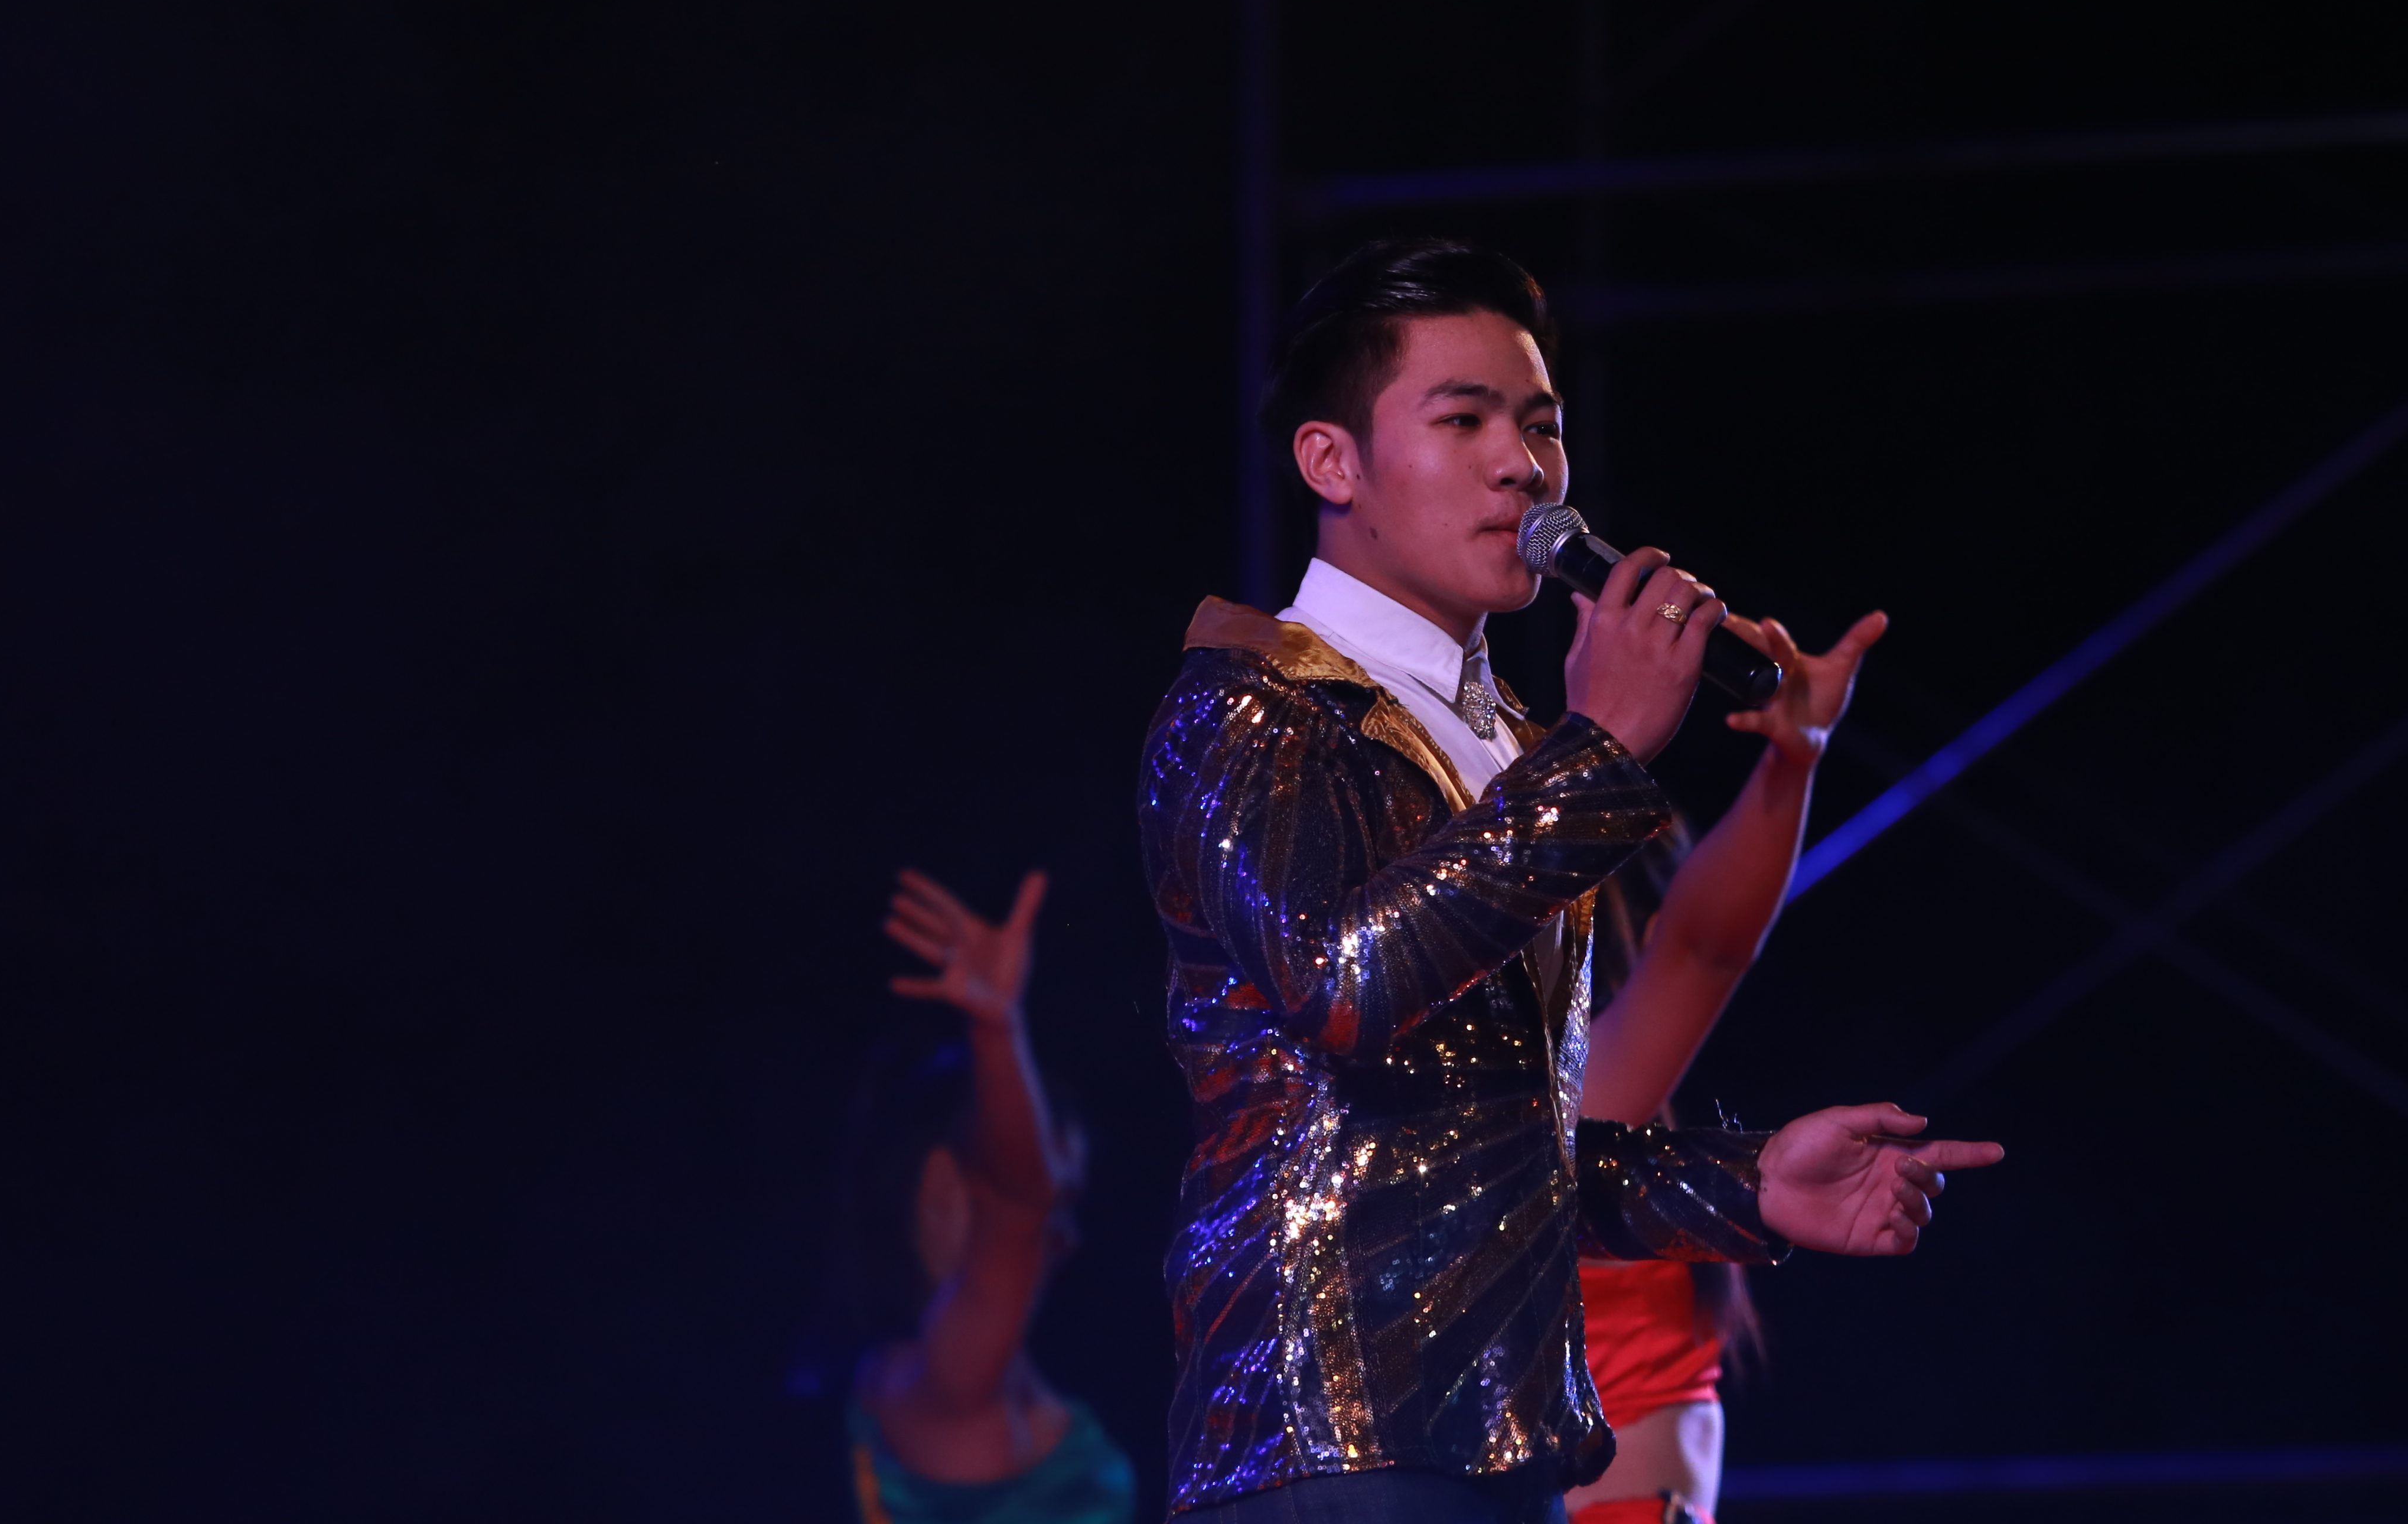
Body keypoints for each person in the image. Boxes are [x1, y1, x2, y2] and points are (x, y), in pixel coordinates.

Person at [1138, 235, 2002, 1524]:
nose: (1522, 465)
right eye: (1465, 420)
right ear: (1333, 462)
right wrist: (1597, 755)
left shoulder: (1507, 748)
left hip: (1509, 1447)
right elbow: (1342, 986)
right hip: (1332, 1441)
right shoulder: (1254, 708)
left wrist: (1751, 1183)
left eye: (1540, 425)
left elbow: (1483, 1152)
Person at [1565, 607, 1884, 1524]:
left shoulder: (1604, 1105)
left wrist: (1796, 760)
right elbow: (1703, 950)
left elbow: (1700, 947)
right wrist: (1793, 763)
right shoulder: (1563, 1105)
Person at [839, 865, 1139, 1524]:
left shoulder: (967, 1384)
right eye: (1057, 1197)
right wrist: (997, 1030)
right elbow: (1018, 1208)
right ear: (939, 1186)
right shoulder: (944, 1385)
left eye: (1069, 1202)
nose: (1066, 1235)